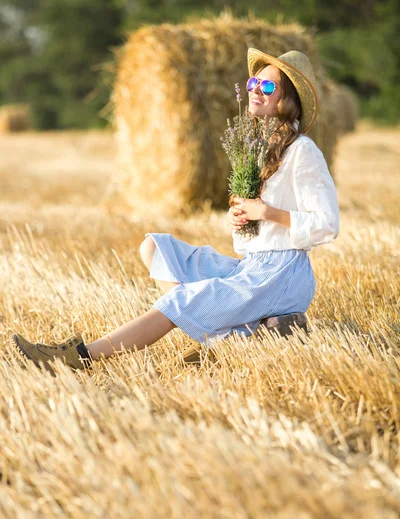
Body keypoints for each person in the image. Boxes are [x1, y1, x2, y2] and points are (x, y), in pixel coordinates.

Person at [11, 48, 339, 373]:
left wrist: (265, 212)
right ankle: (231, 336)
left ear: (287, 100)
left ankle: (77, 357)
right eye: (254, 82)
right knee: (155, 248)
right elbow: (259, 221)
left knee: (178, 303)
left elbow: (326, 224)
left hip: (281, 274)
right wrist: (241, 217)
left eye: (268, 86)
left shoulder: (302, 151)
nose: (255, 89)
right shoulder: (257, 148)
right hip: (252, 266)